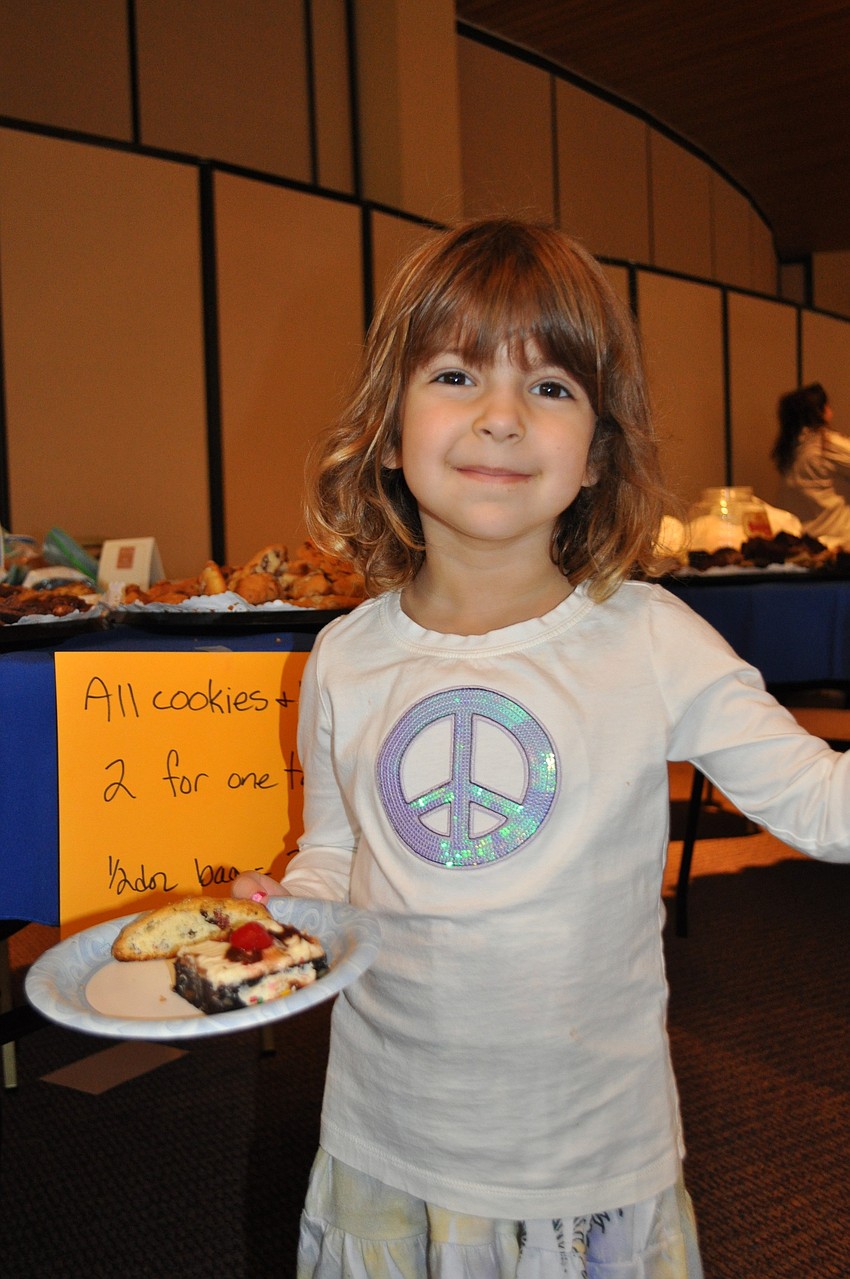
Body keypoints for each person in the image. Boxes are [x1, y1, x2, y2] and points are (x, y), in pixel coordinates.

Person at [236, 219, 850, 1278]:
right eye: (455, 374)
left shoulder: (647, 639)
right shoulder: (346, 656)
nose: (502, 414)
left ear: (598, 451)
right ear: (387, 433)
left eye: (552, 386)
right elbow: (336, 855)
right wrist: (287, 912)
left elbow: (820, 802)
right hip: (390, 1137)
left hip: (584, 1154)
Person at [772, 381, 850, 544]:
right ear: (821, 411)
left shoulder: (791, 450)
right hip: (836, 541)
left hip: (802, 541)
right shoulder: (825, 446)